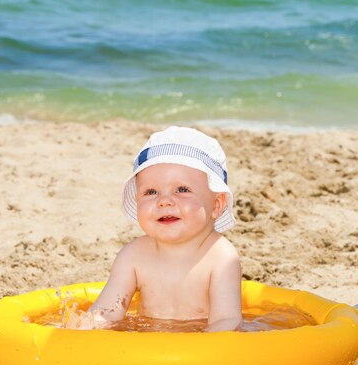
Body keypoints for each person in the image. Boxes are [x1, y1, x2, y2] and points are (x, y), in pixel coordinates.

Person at [68, 126, 242, 332]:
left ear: (216, 204)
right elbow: (107, 312)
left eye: (182, 190)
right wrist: (83, 329)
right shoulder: (133, 255)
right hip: (148, 346)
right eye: (151, 192)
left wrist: (198, 352)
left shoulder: (221, 257)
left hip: (197, 351)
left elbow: (226, 321)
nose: (164, 201)